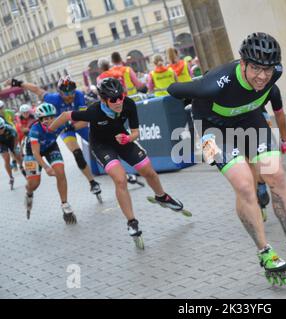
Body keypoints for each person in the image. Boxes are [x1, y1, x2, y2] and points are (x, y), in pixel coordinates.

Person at [167, 32, 286, 287]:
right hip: (210, 129)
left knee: (276, 176)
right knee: (245, 183)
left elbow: (275, 101)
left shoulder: (275, 74)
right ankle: (265, 252)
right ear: (243, 63)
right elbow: (173, 89)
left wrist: (285, 136)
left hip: (250, 120)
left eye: (267, 69)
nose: (261, 76)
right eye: (255, 68)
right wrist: (193, 94)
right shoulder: (215, 83)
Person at [50, 78, 185, 248]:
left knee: (148, 171)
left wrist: (129, 137)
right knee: (120, 179)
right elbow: (65, 116)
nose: (118, 102)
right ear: (103, 99)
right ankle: (132, 222)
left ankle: (162, 197)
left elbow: (136, 132)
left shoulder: (128, 104)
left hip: (122, 140)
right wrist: (49, 130)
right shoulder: (94, 111)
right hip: (102, 147)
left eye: (120, 96)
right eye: (113, 99)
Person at [8, 76, 102, 200]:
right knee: (77, 153)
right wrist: (19, 83)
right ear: (59, 93)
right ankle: (92, 183)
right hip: (64, 129)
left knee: (100, 144)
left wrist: (73, 126)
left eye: (72, 93)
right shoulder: (53, 99)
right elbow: (36, 89)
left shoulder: (78, 95)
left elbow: (85, 120)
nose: (69, 96)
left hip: (78, 124)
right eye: (66, 94)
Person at [23, 102, 77, 223]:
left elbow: (75, 122)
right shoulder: (35, 130)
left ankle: (65, 204)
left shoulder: (59, 124)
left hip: (51, 147)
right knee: (34, 183)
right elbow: (36, 153)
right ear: (40, 119)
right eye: (46, 119)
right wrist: (46, 168)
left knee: (60, 172)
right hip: (33, 152)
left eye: (52, 117)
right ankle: (29, 191)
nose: (49, 120)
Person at [256, 84, 286, 222]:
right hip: (238, 123)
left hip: (261, 118)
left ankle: (262, 184)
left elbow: (279, 112)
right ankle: (259, 185)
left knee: (268, 163)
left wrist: (285, 140)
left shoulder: (273, 88)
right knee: (253, 161)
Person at [0, 117, 25, 189]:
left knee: (17, 155)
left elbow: (16, 137)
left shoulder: (10, 129)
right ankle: (11, 177)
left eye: (1, 128)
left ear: (4, 126)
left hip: (11, 141)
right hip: (2, 143)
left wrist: (14, 148)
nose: (0, 130)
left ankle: (21, 166)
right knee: (6, 159)